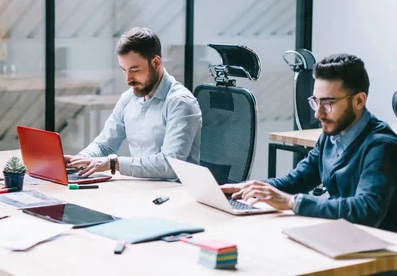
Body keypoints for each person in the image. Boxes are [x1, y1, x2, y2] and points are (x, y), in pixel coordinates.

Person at [222, 54, 397, 231]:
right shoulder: (331, 136)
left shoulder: (381, 146)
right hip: (344, 235)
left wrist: (291, 202)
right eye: (316, 102)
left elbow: (366, 210)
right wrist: (251, 188)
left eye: (328, 103)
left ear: (359, 100)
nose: (318, 114)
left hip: (381, 249)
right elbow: (297, 180)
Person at [67, 27, 202, 180]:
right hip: (139, 188)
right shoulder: (128, 99)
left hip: (174, 193)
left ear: (156, 62)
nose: (128, 79)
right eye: (124, 70)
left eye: (135, 70)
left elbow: (170, 165)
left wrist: (114, 164)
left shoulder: (180, 103)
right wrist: (78, 160)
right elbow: (104, 145)